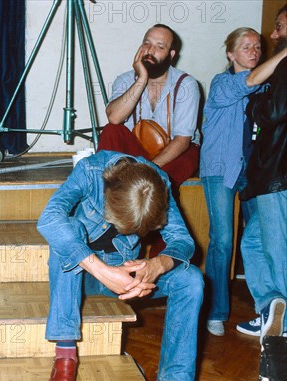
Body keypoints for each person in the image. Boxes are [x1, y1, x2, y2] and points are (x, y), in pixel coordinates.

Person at [37, 151, 203, 381]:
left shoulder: (158, 183)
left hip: (128, 275)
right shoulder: (90, 171)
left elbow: (183, 241)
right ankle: (65, 354)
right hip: (85, 274)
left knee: (191, 280)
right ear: (108, 198)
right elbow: (49, 218)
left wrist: (157, 265)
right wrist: (102, 270)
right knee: (66, 233)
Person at [200, 27, 287, 337]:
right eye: (246, 46)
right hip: (220, 169)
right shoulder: (222, 83)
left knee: (259, 240)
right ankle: (216, 312)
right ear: (230, 54)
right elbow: (249, 81)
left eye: (257, 47)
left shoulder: (266, 89)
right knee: (222, 241)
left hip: (252, 173)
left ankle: (268, 309)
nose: (253, 51)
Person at [97, 24, 200, 259]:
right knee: (112, 130)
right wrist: (141, 79)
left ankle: (161, 256)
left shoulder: (187, 85)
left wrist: (148, 170)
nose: (150, 51)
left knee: (162, 184)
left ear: (171, 55)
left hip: (177, 150)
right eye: (147, 43)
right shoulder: (126, 80)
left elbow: (183, 141)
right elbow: (115, 117)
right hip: (140, 150)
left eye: (159, 46)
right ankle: (107, 221)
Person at [238, 4, 287, 342]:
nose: (273, 35)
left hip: (277, 176)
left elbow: (274, 111)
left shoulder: (285, 66)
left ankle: (284, 321)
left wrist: (253, 104)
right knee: (253, 241)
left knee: (276, 248)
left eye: (280, 26)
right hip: (273, 176)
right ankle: (271, 306)